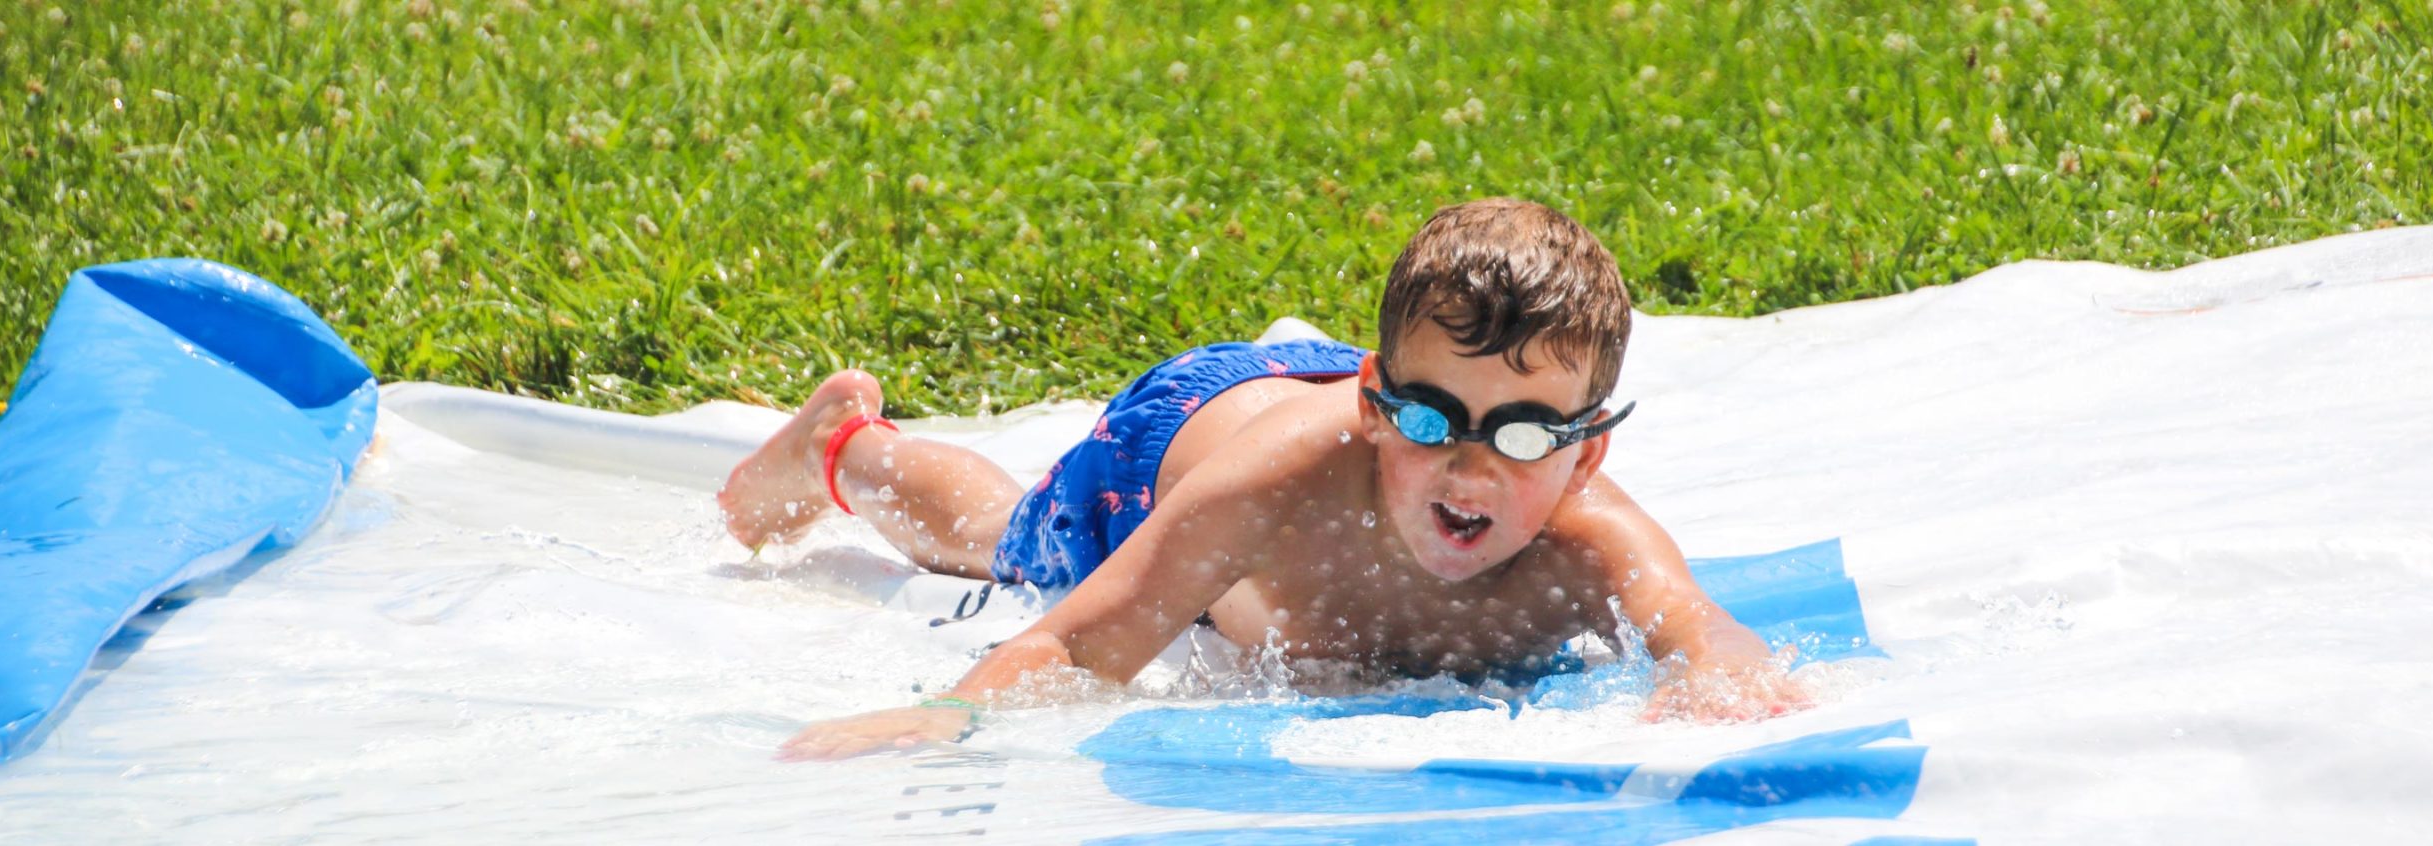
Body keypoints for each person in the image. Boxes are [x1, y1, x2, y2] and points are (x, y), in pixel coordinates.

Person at [718, 198, 1807, 761]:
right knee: (1012, 545)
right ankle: (843, 450)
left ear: (1586, 451)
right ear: (1380, 406)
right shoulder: (1279, 488)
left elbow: (1702, 629)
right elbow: (1075, 642)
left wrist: (1719, 683)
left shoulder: (1592, 535)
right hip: (1183, 438)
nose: (1471, 464)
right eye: (1434, 423)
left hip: (1345, 395)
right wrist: (950, 715)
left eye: (1523, 436)